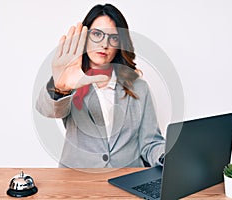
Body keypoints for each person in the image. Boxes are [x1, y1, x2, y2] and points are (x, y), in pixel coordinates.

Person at [36, 3, 165, 168]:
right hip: (77, 181)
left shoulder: (139, 87)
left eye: (113, 38)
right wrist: (61, 88)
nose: (104, 44)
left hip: (127, 179)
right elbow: (46, 110)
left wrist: (166, 157)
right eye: (97, 34)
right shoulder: (70, 80)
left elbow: (150, 142)